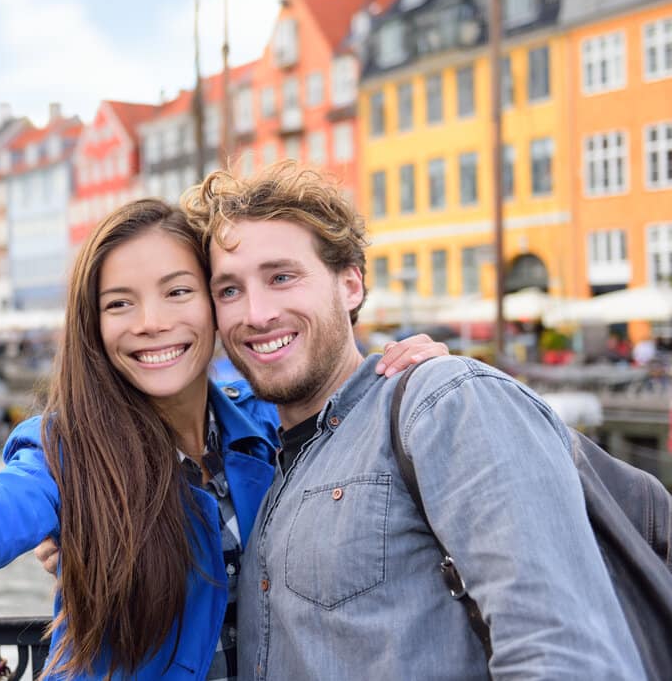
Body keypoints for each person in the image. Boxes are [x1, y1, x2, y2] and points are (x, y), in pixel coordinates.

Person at [0, 198, 445, 680]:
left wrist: (396, 375)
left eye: (178, 291)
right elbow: (0, 508)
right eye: (119, 303)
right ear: (93, 328)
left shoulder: (264, 426)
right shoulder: (67, 449)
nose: (151, 323)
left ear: (214, 303)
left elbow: (337, 403)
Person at [179, 162, 644, 679]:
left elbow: (565, 655)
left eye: (282, 277)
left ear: (350, 284)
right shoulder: (269, 462)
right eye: (229, 290)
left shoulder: (446, 401)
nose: (257, 313)